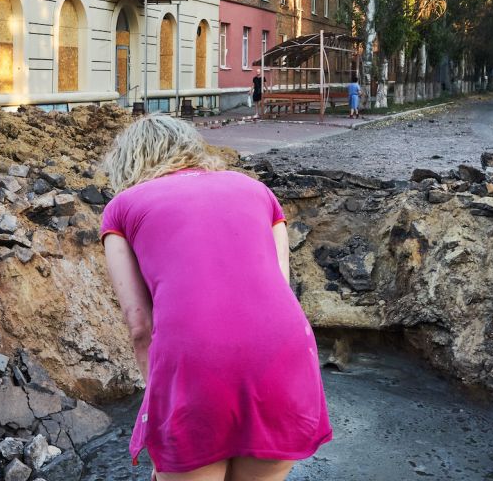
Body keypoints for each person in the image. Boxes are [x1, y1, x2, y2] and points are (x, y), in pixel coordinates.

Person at [99, 116, 333, 481]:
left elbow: (139, 325)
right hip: (285, 355)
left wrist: (159, 400)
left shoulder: (122, 207)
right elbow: (279, 288)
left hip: (197, 363)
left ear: (129, 161)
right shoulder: (257, 191)